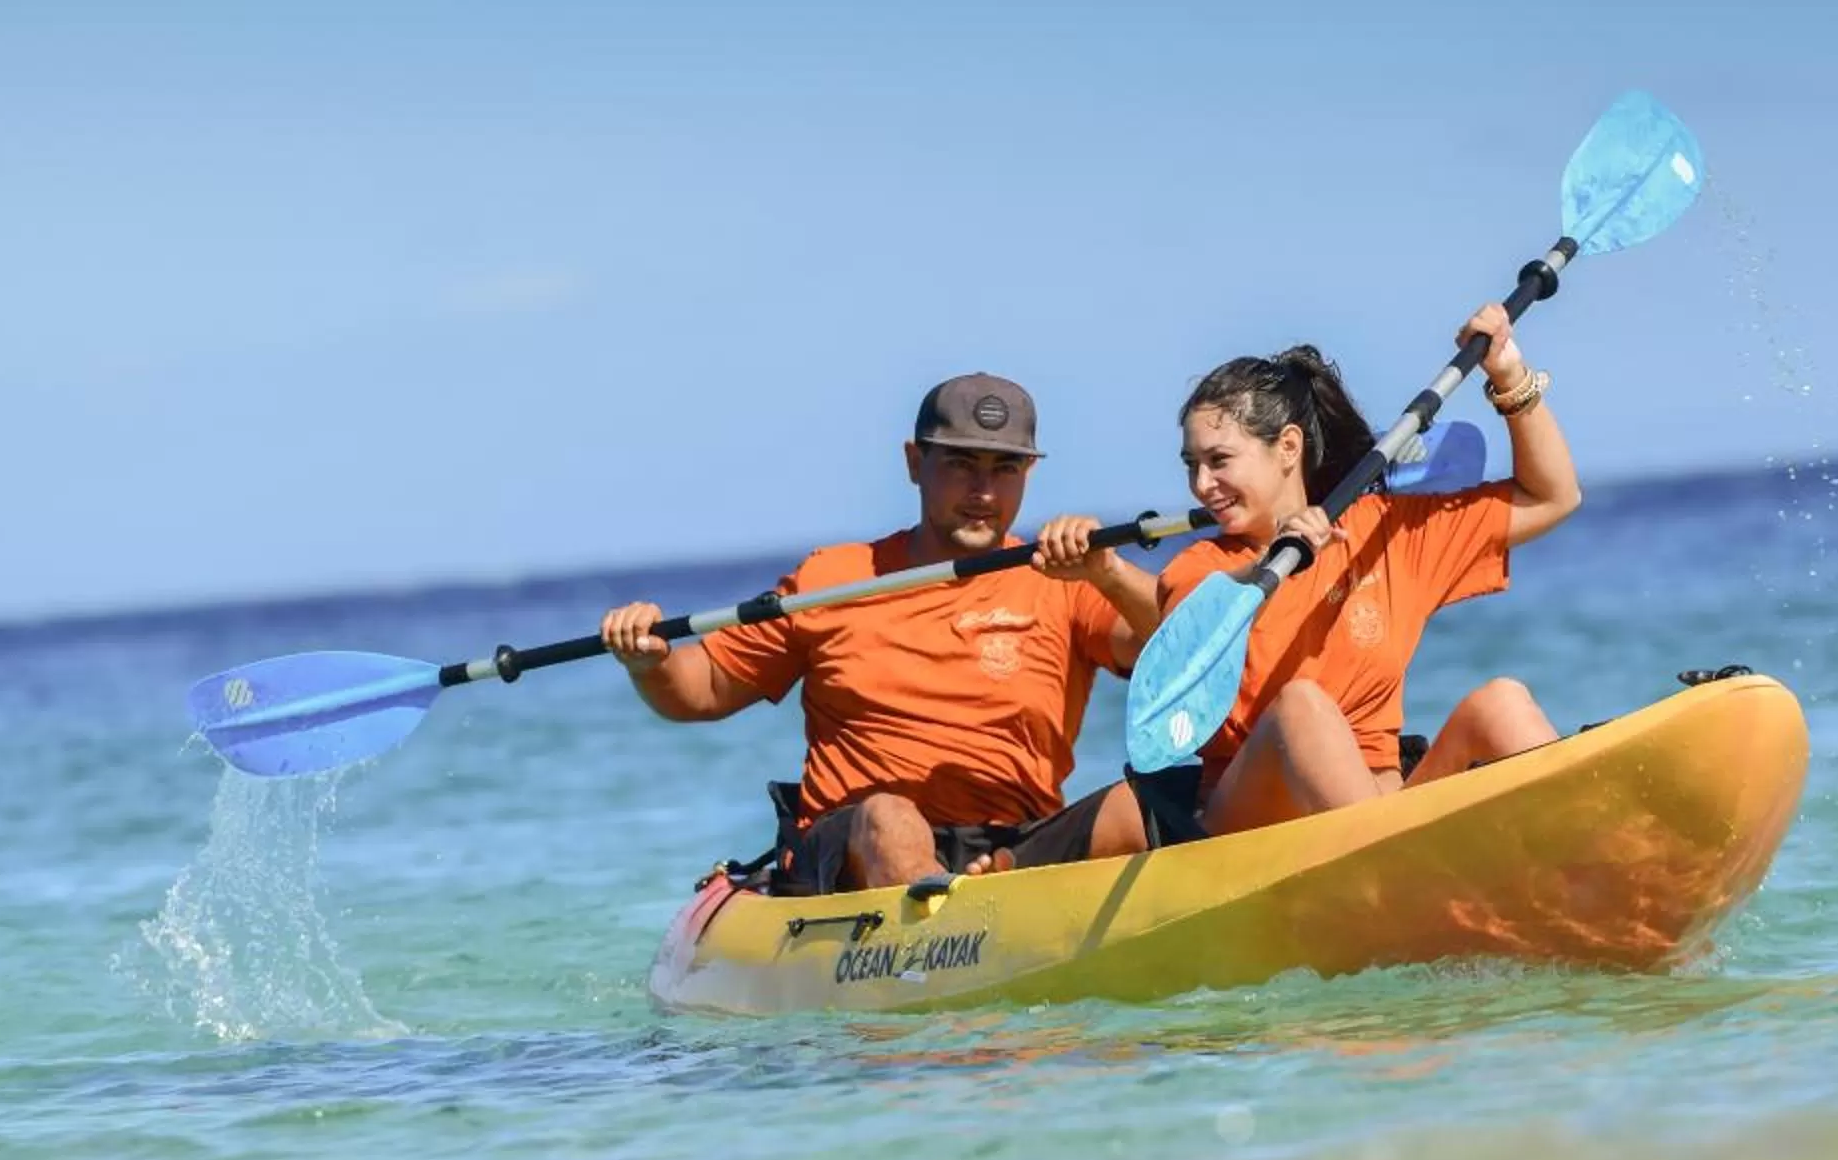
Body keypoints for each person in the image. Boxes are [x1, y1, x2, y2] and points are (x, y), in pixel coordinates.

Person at [600, 375, 1152, 893]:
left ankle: (993, 891)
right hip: (857, 849)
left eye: (1004, 468)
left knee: (1143, 804)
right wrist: (652, 662)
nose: (983, 491)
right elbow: (705, 689)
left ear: (1027, 473)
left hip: (1013, 843)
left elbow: (1172, 648)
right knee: (891, 817)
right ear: (915, 463)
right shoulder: (832, 578)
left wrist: (1109, 573)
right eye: (960, 464)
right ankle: (944, 927)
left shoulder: (1062, 580)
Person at [1059, 303, 1583, 837]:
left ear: (1288, 447)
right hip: (1252, 822)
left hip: (1385, 804)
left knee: (1501, 704)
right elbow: (1196, 623)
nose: (1201, 485)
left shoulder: (1386, 532)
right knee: (1300, 706)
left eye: (1219, 461)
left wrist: (1509, 376)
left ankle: (1599, 854)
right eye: (1192, 465)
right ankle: (1381, 862)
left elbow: (1551, 498)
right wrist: (1272, 561)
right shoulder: (1198, 568)